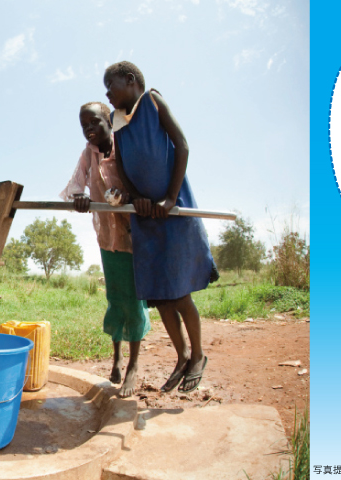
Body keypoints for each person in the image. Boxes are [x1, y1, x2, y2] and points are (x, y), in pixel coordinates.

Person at [104, 61, 217, 393]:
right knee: (163, 295)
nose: (107, 94)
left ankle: (198, 355)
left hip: (174, 211)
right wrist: (137, 197)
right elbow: (122, 165)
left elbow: (181, 145)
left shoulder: (153, 101)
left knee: (180, 291)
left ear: (131, 80)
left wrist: (169, 198)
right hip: (146, 218)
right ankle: (181, 356)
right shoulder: (117, 122)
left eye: (111, 85)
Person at [60, 101, 150, 397]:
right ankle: (117, 357)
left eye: (94, 123)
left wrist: (129, 196)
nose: (88, 130)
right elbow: (75, 185)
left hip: (133, 237)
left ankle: (134, 366)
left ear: (109, 122)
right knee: (115, 298)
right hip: (106, 239)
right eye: (83, 125)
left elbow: (142, 182)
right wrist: (80, 199)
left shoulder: (125, 147)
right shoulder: (89, 154)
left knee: (134, 301)